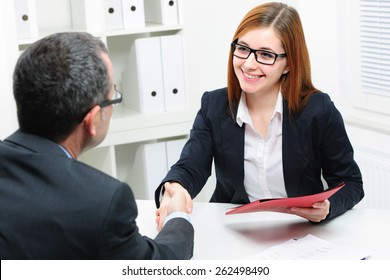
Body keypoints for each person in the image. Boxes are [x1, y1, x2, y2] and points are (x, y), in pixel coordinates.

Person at [155, 2, 364, 226]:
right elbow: (190, 166)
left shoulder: (318, 109)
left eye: (265, 54)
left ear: (288, 64)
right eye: (243, 49)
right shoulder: (213, 106)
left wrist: (328, 207)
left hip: (299, 230)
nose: (249, 64)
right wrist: (175, 189)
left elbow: (350, 183)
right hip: (236, 229)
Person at [0, 32, 193, 260]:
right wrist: (178, 216)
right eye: (114, 97)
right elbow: (155, 267)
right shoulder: (101, 203)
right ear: (92, 120)